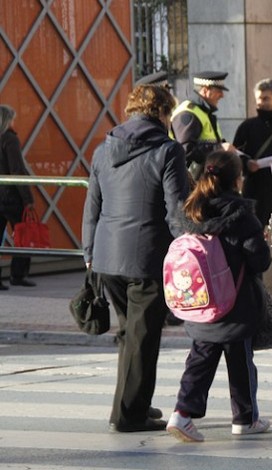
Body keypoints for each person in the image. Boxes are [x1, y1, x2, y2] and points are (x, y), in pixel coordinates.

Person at [82, 85, 189, 432]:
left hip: (106, 255)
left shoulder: (103, 148)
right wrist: (188, 247)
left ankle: (131, 405)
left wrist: (89, 255)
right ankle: (130, 415)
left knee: (130, 335)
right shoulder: (168, 150)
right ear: (161, 113)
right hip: (147, 255)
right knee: (143, 338)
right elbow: (176, 209)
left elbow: (92, 207)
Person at [165, 150, 272, 443]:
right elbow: (259, 262)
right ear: (237, 179)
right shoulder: (242, 215)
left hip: (199, 301)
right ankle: (245, 419)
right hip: (235, 304)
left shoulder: (190, 210)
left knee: (199, 360)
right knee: (241, 361)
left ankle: (181, 415)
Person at [232, 78, 272, 227]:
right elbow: (235, 153)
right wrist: (246, 163)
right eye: (259, 98)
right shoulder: (247, 126)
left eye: (266, 98)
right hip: (256, 190)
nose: (261, 102)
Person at [171, 71, 236, 182]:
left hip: (204, 182)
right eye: (219, 91)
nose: (222, 95)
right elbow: (186, 150)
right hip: (192, 184)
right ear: (206, 90)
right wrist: (218, 148)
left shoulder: (204, 113)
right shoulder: (188, 113)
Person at [0, 104, 36, 289]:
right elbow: (17, 170)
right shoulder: (9, 139)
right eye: (13, 119)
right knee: (23, 236)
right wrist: (28, 199)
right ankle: (18, 275)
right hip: (11, 197)